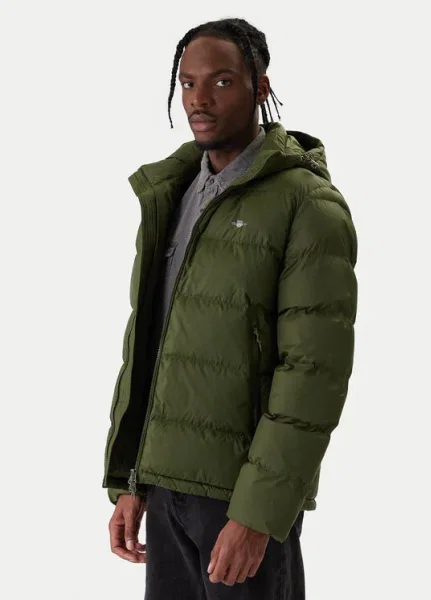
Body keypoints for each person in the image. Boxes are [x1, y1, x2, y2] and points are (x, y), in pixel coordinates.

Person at [102, 17, 358, 600]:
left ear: (260, 87)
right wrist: (132, 478)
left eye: (220, 82)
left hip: (240, 502)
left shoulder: (308, 205)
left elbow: (313, 374)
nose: (199, 99)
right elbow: (151, 345)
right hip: (165, 490)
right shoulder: (175, 193)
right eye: (187, 83)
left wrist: (258, 514)